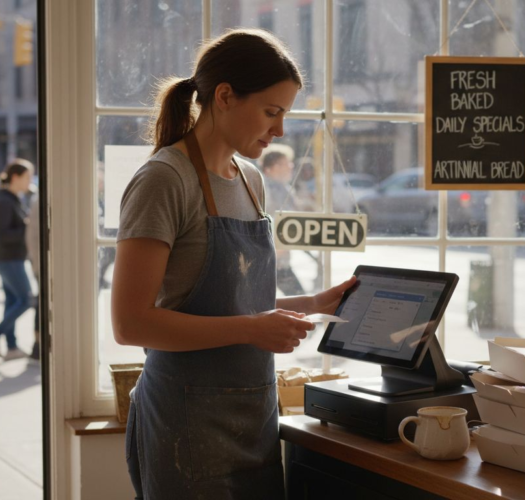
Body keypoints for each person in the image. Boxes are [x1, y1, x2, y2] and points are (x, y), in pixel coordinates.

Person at [111, 28, 356, 500]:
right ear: (224, 96)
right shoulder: (164, 180)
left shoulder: (250, 180)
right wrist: (250, 329)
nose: (280, 131)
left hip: (254, 418)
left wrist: (310, 303)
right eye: (271, 112)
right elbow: (131, 323)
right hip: (183, 421)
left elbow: (233, 302)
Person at [0, 159, 34, 361]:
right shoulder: (4, 200)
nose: (30, 181)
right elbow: (3, 234)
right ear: (15, 177)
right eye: (27, 177)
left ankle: (12, 348)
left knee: (12, 300)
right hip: (8, 259)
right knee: (26, 300)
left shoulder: (12, 198)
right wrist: (27, 226)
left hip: (11, 258)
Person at [260, 144, 305, 296]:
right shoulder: (265, 188)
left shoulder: (284, 188)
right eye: (286, 163)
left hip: (278, 261)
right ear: (271, 167)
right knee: (299, 301)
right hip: (272, 260)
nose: (291, 167)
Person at [25, 193, 41, 361]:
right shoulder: (39, 199)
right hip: (42, 264)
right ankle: (37, 346)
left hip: (39, 262)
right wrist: (37, 264)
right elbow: (33, 235)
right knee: (41, 303)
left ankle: (38, 346)